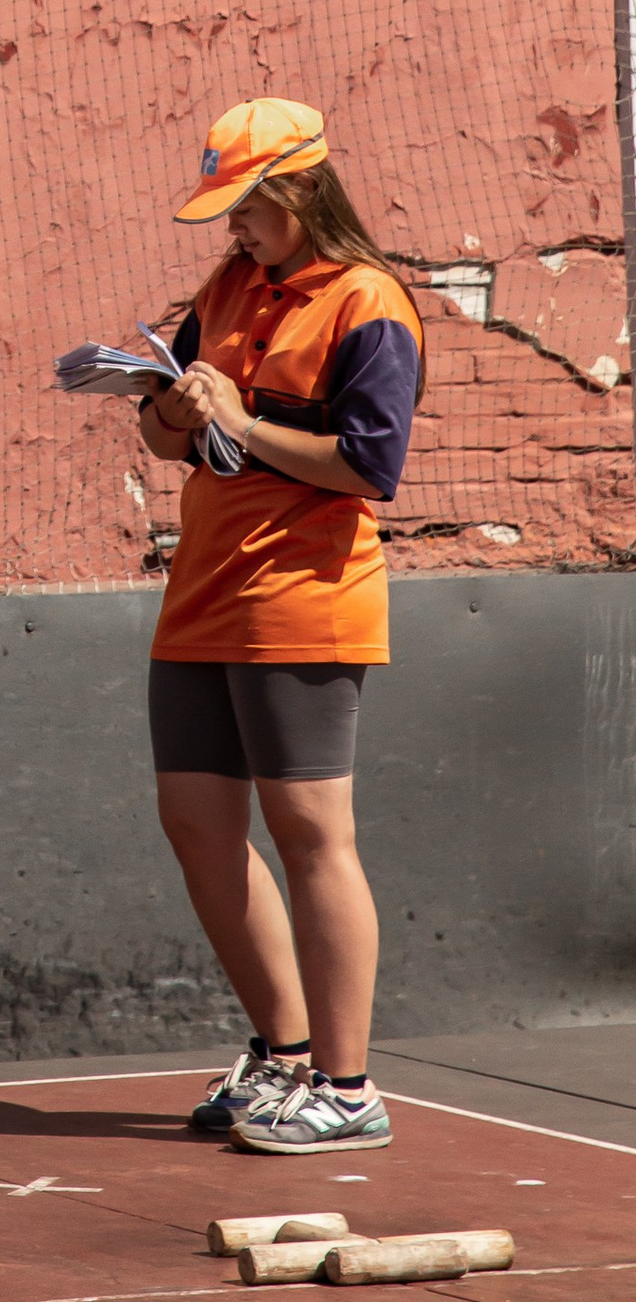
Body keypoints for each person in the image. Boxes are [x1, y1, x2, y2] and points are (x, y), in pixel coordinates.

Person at [136, 96, 424, 1159]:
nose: (232, 229)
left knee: (310, 836)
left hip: (305, 599)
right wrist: (167, 406)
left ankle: (347, 1087)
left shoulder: (368, 302)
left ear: (297, 191)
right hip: (202, 589)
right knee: (196, 822)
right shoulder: (224, 287)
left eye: (246, 207)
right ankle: (283, 1051)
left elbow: (368, 467)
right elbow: (169, 437)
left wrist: (240, 422)